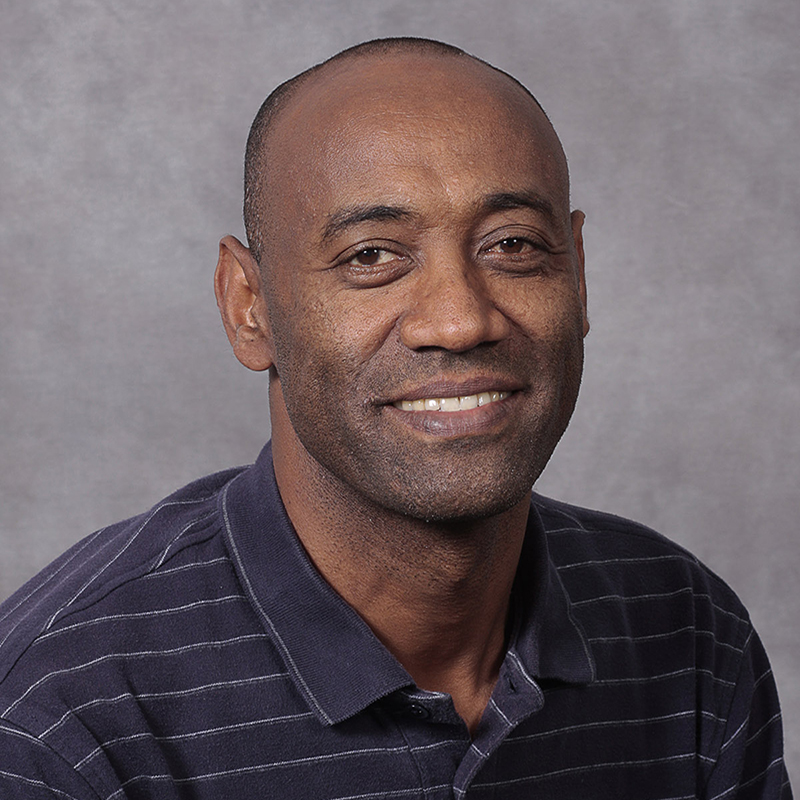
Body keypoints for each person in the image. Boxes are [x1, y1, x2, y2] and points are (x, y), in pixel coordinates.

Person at [0, 37, 790, 799]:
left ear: (577, 279)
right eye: (371, 256)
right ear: (250, 309)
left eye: (512, 244)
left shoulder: (686, 633)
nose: (458, 320)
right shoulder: (56, 720)